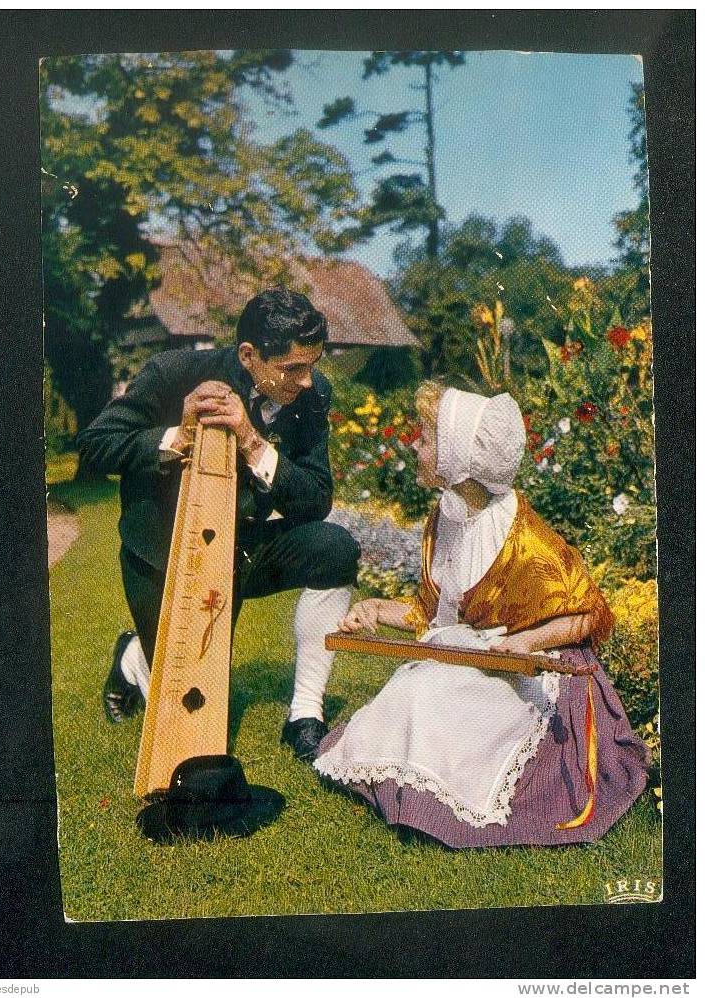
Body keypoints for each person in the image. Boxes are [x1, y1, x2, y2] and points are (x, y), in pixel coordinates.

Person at [314, 381, 650, 846]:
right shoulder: (446, 517)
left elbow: (589, 616)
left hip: (536, 665)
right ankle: (409, 792)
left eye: (427, 438)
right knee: (408, 691)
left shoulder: (520, 536)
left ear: (458, 455)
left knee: (427, 696)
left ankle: (434, 806)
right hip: (475, 649)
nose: (416, 445)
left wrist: (526, 642)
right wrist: (373, 609)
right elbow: (434, 615)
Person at [77, 288, 361, 762]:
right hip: (165, 553)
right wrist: (178, 436)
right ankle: (134, 658)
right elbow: (95, 445)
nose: (308, 382)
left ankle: (305, 713)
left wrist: (253, 444)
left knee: (335, 549)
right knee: (196, 717)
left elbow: (315, 500)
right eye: (293, 369)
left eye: (312, 365)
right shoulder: (173, 372)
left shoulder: (314, 394)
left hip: (246, 546)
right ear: (249, 355)